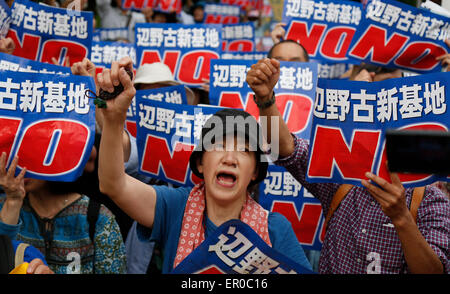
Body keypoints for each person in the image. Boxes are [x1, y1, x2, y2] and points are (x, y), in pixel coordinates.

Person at [96, 57, 313, 274]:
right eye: (218, 146)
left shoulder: (275, 229)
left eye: (244, 151)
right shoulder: (174, 208)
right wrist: (115, 118)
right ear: (200, 163)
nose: (230, 158)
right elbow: (114, 184)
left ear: (255, 171)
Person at [246, 57, 450, 274]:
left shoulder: (431, 199)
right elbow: (284, 147)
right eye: (372, 110)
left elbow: (435, 270)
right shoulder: (339, 175)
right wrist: (265, 99)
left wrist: (402, 218)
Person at [0, 151, 127, 274]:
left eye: (37, 157)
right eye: (19, 157)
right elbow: (3, 255)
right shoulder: (6, 206)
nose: (25, 168)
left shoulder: (98, 218)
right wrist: (13, 201)